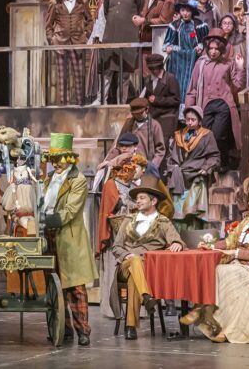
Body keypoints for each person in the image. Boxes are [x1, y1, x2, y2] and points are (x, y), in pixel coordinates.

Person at [182, 185, 249, 343]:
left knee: (231, 273)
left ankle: (229, 330)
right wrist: (212, 246)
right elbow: (229, 241)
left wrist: (236, 253)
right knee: (218, 270)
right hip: (238, 263)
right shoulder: (247, 222)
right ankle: (204, 311)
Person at [41, 133, 98, 346]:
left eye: (59, 159)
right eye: (53, 159)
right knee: (55, 285)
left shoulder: (78, 180)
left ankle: (83, 330)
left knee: (75, 286)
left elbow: (71, 210)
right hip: (49, 235)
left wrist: (48, 220)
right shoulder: (49, 179)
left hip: (68, 237)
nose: (55, 163)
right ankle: (61, 328)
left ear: (70, 158)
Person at [110, 177, 185, 340]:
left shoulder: (163, 222)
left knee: (134, 279)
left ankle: (130, 326)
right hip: (125, 265)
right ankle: (146, 296)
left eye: (142, 198)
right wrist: (126, 255)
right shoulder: (128, 220)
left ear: (153, 201)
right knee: (135, 260)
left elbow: (177, 240)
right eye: (137, 198)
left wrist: (177, 243)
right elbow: (116, 247)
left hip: (150, 270)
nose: (138, 201)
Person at [185, 28, 245, 171]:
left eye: (216, 49)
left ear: (222, 49)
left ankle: (222, 162)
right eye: (211, 48)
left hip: (223, 104)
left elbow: (237, 85)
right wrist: (189, 110)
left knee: (218, 135)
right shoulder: (200, 64)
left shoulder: (228, 63)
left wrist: (240, 68)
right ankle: (210, 164)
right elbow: (192, 88)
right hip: (205, 105)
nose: (213, 52)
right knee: (205, 136)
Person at [96, 154, 146, 319]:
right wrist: (130, 204)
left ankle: (137, 308)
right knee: (113, 269)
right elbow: (113, 206)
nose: (134, 173)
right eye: (132, 169)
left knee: (135, 268)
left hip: (133, 234)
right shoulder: (111, 184)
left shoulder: (133, 185)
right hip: (115, 235)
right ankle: (112, 309)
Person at [97, 0, 145, 105]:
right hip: (110, 39)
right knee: (106, 72)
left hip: (128, 40)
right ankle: (102, 102)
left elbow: (142, 10)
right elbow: (106, 13)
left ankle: (121, 105)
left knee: (124, 75)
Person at [166, 106, 221, 231]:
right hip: (180, 176)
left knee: (193, 211)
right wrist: (173, 167)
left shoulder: (206, 135)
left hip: (197, 175)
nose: (190, 122)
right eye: (188, 119)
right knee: (178, 211)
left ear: (199, 121)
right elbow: (170, 155)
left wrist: (206, 168)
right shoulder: (179, 135)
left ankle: (193, 236)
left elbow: (214, 156)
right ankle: (179, 236)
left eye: (193, 120)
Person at [45, 0, 93, 105]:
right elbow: (48, 25)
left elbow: (90, 20)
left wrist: (86, 34)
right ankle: (64, 105)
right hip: (60, 43)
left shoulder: (81, 2)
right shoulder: (55, 3)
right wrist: (52, 39)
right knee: (63, 76)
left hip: (77, 43)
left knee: (79, 75)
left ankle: (80, 104)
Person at [163, 0, 209, 106]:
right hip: (177, 63)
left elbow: (206, 41)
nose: (185, 13)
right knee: (177, 85)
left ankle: (192, 108)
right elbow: (166, 44)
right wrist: (169, 47)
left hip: (194, 60)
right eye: (183, 10)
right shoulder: (175, 25)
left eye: (188, 11)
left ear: (192, 11)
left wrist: (200, 46)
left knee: (192, 85)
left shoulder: (199, 25)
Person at [135, 0, 175, 72]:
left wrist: (145, 21)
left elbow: (164, 20)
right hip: (145, 42)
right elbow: (145, 13)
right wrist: (139, 18)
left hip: (157, 43)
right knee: (144, 74)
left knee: (155, 74)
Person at [143, 54, 181, 142]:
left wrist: (157, 100)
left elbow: (176, 100)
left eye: (156, 68)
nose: (154, 71)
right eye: (151, 69)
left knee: (163, 143)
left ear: (160, 66)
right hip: (153, 117)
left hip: (167, 117)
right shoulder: (148, 79)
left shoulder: (170, 78)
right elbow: (146, 97)